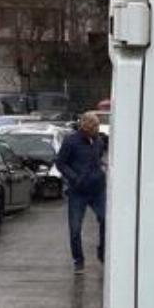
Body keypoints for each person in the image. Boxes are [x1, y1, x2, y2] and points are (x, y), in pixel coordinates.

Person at [55, 113, 107, 272]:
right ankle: (78, 260)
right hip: (78, 191)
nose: (97, 129)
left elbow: (98, 159)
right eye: (95, 126)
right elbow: (60, 163)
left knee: (105, 220)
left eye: (98, 126)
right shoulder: (71, 141)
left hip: (97, 189)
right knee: (75, 228)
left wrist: (102, 170)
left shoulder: (98, 141)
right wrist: (74, 178)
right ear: (86, 127)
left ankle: (103, 253)